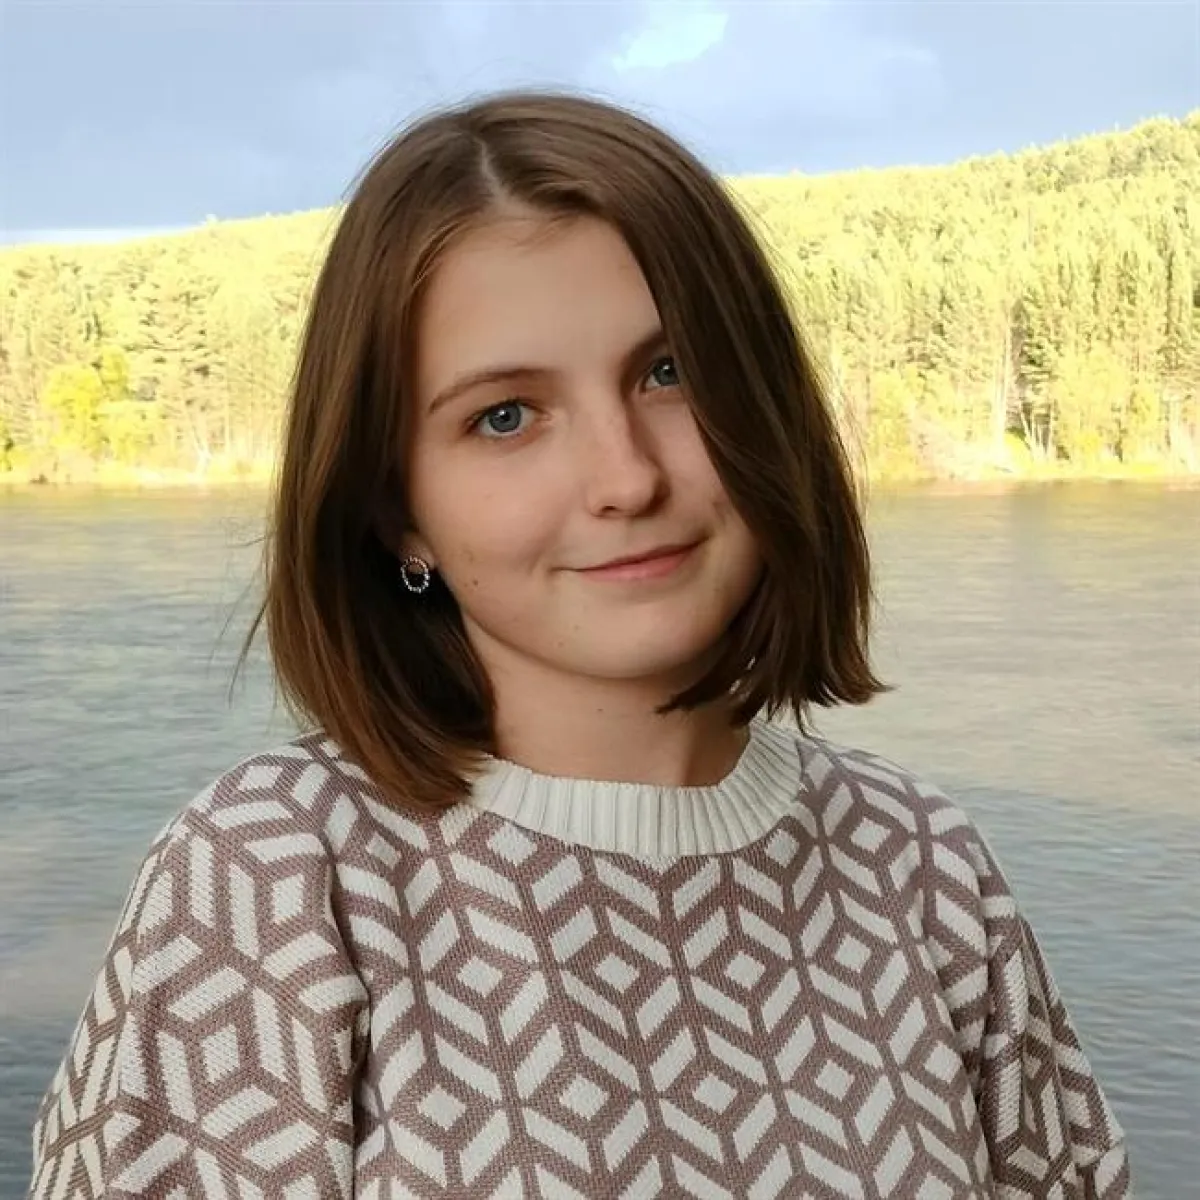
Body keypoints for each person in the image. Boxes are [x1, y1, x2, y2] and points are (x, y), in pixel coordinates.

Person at [29, 90, 1130, 1199]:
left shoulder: (922, 862)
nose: (626, 478)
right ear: (396, 509)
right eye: (505, 415)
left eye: (671, 372)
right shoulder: (273, 877)